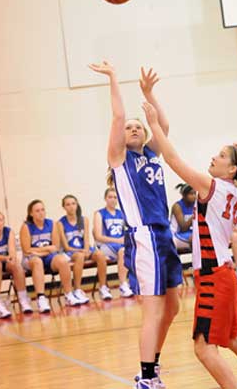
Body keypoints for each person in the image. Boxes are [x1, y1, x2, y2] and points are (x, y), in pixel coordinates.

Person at [143, 100, 237, 389]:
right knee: (232, 336)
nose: (214, 157)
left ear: (231, 169)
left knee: (203, 347)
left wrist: (155, 126)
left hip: (214, 276)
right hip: (226, 274)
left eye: (221, 155)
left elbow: (173, 161)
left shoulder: (213, 187)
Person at [89, 61, 182, 389]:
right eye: (129, 127)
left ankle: (151, 368)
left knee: (173, 307)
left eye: (137, 126)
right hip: (145, 237)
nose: (134, 128)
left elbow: (164, 126)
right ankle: (146, 378)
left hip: (164, 235)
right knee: (154, 310)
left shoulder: (152, 155)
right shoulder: (120, 159)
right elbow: (117, 117)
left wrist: (149, 94)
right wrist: (114, 78)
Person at [20, 200, 80, 313]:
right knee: (37, 262)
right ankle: (41, 298)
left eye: (42, 210)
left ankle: (68, 294)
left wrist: (40, 252)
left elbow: (56, 247)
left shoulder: (51, 223)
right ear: (31, 213)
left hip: (46, 256)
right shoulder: (26, 227)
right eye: (37, 211)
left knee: (62, 260)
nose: (41, 213)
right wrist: (46, 249)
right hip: (30, 259)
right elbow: (27, 250)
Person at [58, 194, 111, 302]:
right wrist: (82, 251)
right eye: (68, 204)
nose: (71, 206)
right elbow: (66, 247)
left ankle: (103, 287)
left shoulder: (84, 219)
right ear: (64, 207)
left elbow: (87, 239)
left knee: (100, 255)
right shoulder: (60, 223)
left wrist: (86, 249)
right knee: (80, 256)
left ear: (77, 205)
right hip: (71, 252)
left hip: (85, 249)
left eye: (73, 203)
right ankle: (77, 289)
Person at [93, 187, 133, 298]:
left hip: (120, 246)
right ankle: (105, 287)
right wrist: (117, 240)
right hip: (106, 246)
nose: (113, 200)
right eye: (110, 197)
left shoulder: (122, 214)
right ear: (105, 199)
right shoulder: (99, 214)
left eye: (115, 197)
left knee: (124, 251)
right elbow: (98, 236)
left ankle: (123, 284)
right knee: (123, 251)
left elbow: (129, 230)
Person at [0, 211, 33, 314]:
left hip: (5, 260)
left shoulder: (8, 231)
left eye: (1, 220)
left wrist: (11, 259)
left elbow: (12, 252)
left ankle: (23, 299)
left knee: (16, 265)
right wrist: (6, 258)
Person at [170, 183, 196, 249]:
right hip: (177, 235)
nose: (194, 196)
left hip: (189, 233)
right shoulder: (177, 206)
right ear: (184, 195)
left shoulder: (195, 205)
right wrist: (194, 216)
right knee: (195, 239)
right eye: (191, 194)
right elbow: (183, 228)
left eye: (195, 193)